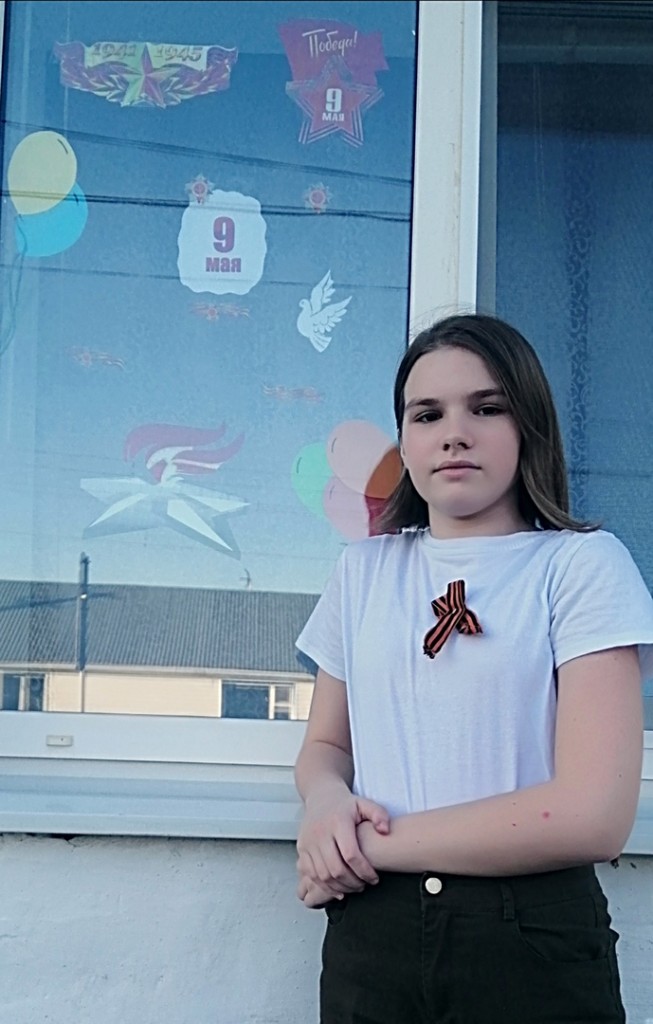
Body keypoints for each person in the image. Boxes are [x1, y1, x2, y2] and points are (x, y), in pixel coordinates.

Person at [294, 313, 653, 1024]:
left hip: (530, 936)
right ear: (404, 441)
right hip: (373, 933)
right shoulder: (362, 572)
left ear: (528, 426)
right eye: (427, 414)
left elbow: (593, 815)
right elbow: (327, 745)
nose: (453, 433)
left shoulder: (580, 565)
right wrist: (326, 803)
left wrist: (361, 847)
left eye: (486, 408)